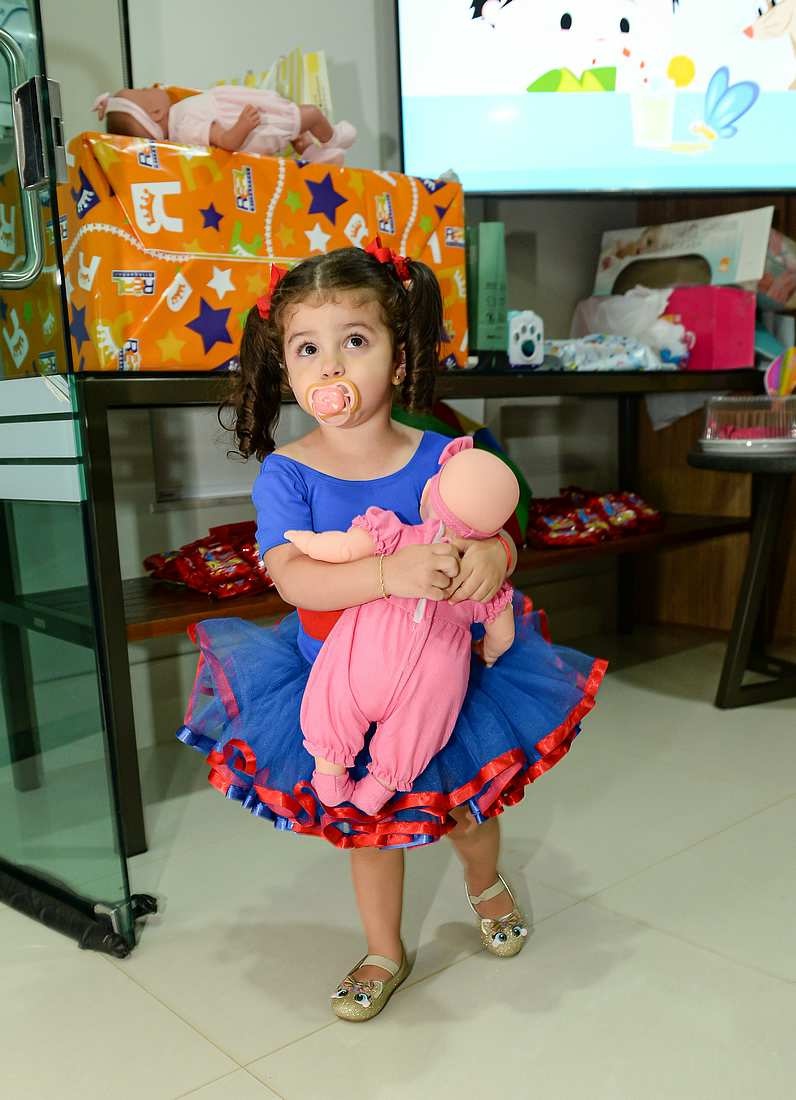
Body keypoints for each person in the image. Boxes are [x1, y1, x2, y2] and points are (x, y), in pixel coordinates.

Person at [178, 239, 607, 1023]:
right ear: (286, 367)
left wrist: (497, 554)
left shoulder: (444, 455)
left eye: (355, 340)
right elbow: (294, 578)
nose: (331, 366)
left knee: (469, 812)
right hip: (335, 682)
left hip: (446, 679)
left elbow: (499, 524)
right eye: (308, 348)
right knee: (369, 828)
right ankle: (385, 948)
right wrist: (389, 574)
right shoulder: (289, 472)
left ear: (400, 358)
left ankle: (485, 883)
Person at [284, 437, 520, 816]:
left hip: (366, 653)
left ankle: (329, 778)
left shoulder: (396, 535)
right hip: (434, 678)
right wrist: (488, 653)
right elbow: (504, 635)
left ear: (429, 494)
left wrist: (309, 544)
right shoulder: (476, 581)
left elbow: (345, 548)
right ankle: (379, 789)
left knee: (337, 698)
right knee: (418, 730)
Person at [92, 86, 356, 163]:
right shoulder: (183, 126)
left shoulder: (179, 117)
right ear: (156, 111)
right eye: (143, 91)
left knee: (296, 131)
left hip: (256, 123)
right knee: (309, 115)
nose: (149, 87)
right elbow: (226, 141)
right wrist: (244, 124)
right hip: (257, 130)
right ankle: (334, 138)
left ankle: (314, 156)